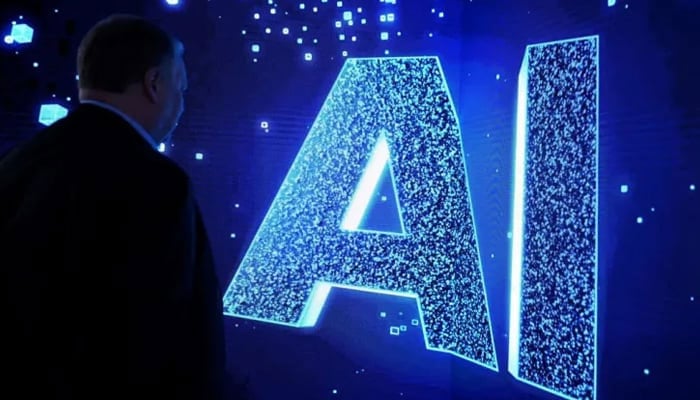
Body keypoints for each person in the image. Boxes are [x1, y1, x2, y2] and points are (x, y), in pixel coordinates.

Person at [0, 14, 227, 399]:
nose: (181, 106)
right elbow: (164, 338)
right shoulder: (156, 182)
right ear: (153, 84)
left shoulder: (17, 163)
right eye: (181, 89)